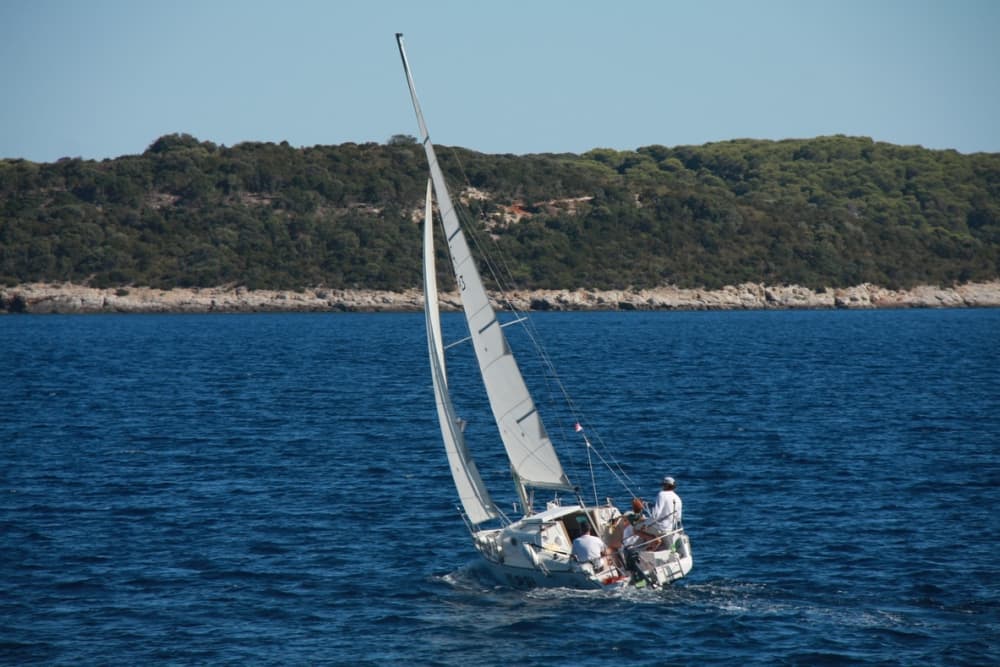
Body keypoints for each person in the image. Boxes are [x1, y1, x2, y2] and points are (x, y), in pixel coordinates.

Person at [648, 476, 683, 545]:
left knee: (637, 528)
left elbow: (656, 515)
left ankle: (654, 544)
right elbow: (678, 518)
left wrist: (646, 524)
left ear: (666, 486)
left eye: (663, 485)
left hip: (660, 528)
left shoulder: (662, 494)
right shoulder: (678, 498)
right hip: (670, 529)